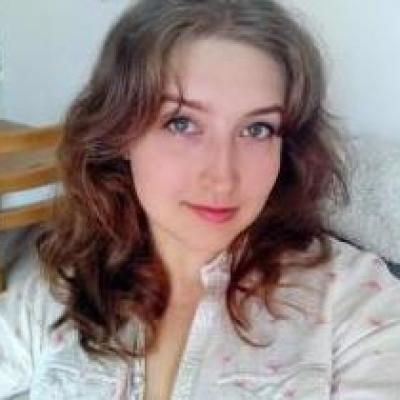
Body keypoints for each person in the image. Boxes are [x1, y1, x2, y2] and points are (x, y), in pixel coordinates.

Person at [1, 0, 400, 399]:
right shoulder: (57, 287)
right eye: (182, 123)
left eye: (257, 129)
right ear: (120, 133)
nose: (223, 177)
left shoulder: (357, 303)